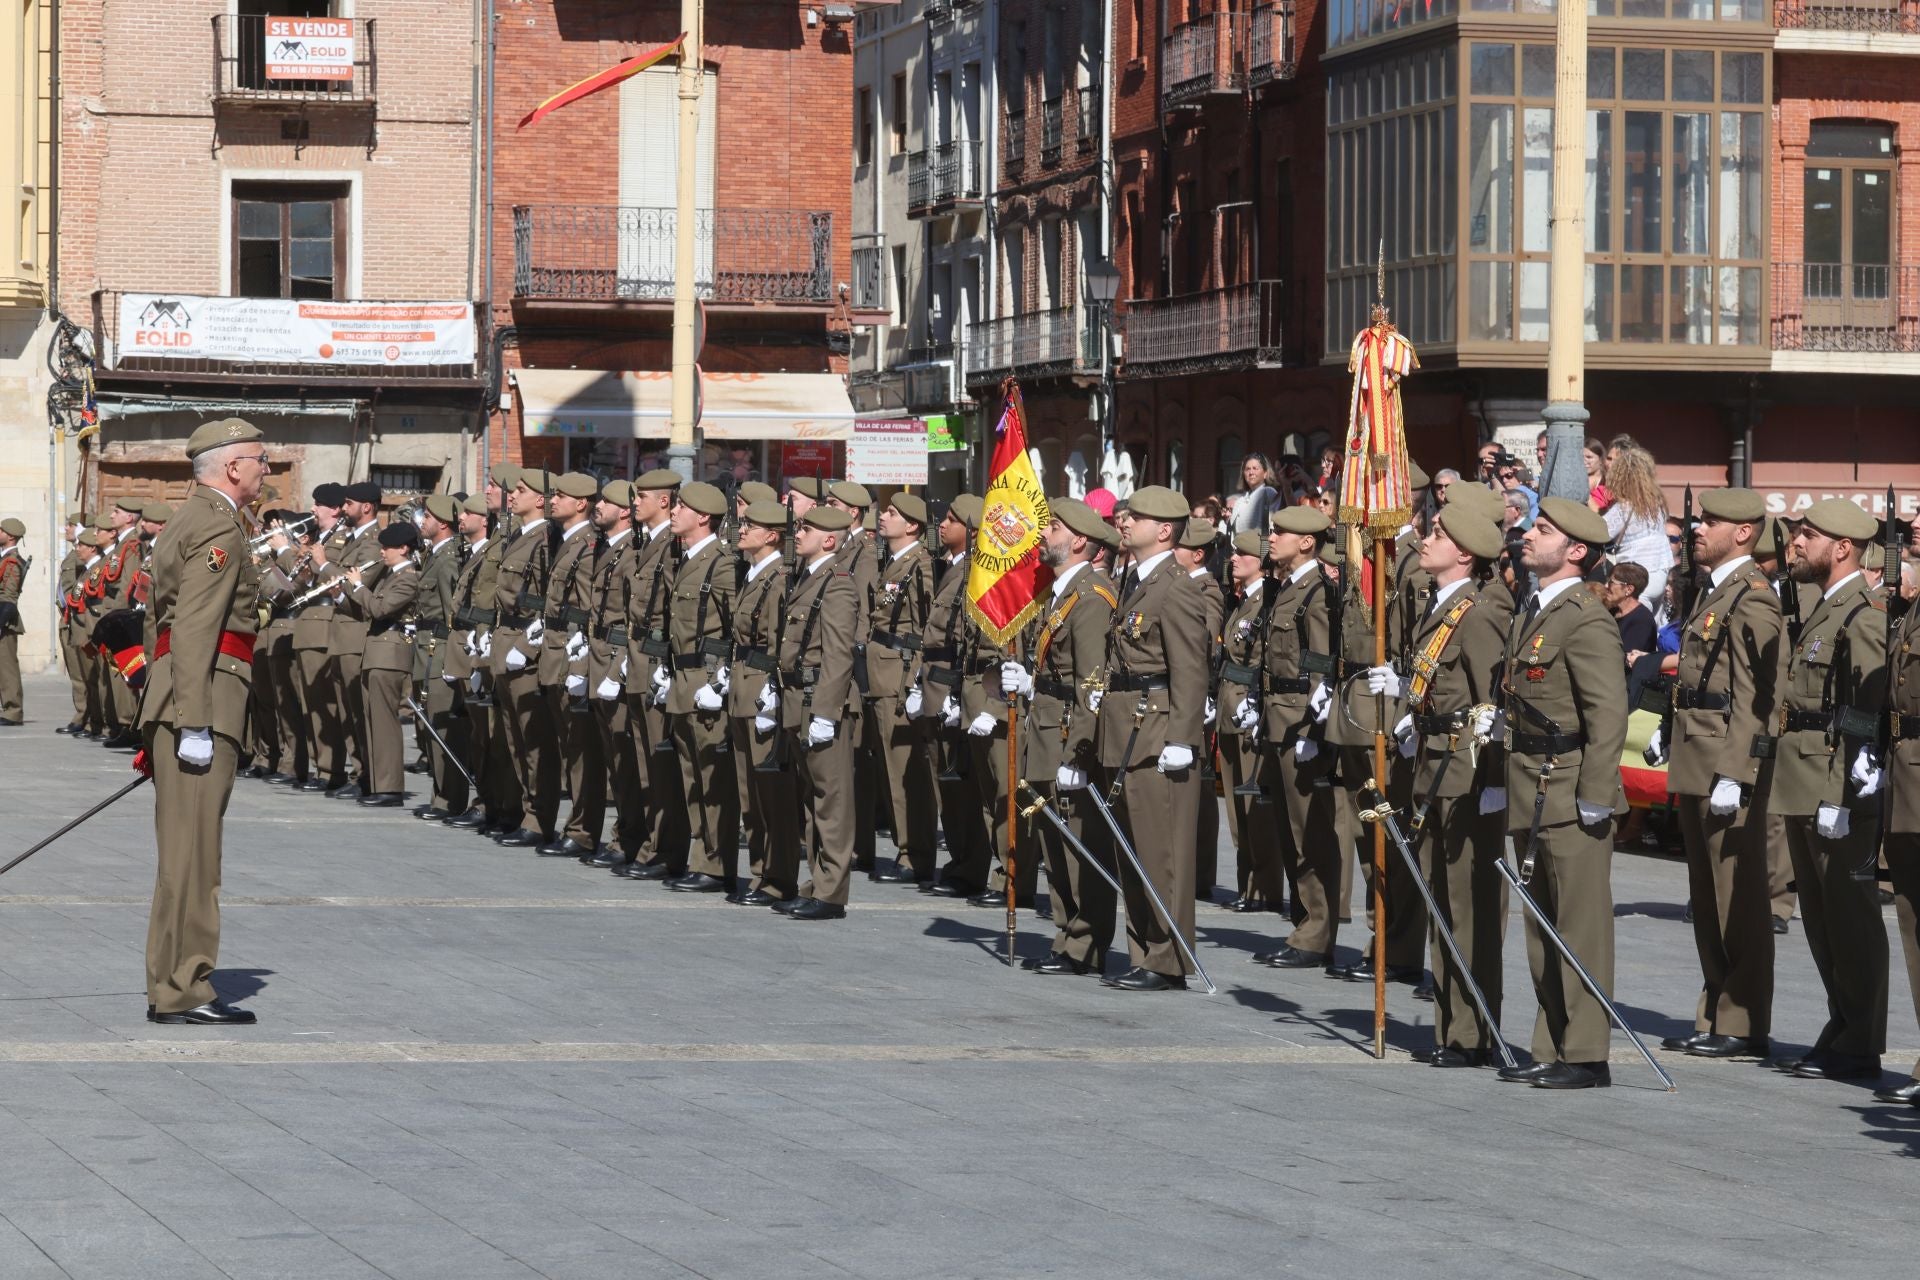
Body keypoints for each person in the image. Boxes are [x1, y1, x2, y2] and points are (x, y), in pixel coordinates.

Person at [138, 417, 270, 1026]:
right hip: (206, 701)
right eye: (259, 460)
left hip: (187, 696)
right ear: (233, 467)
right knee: (194, 857)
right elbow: (192, 625)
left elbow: (157, 616)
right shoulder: (217, 525)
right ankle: (185, 986)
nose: (266, 469)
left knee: (183, 855)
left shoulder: (185, 519)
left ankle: (171, 983)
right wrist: (192, 720)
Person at [1494, 496, 1629, 1090]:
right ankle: (1552, 1041)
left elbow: (1607, 713)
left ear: (1576, 551)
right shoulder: (1537, 608)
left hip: (1571, 788)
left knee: (1579, 924)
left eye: (1542, 530)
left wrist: (1598, 791)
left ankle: (1588, 1052)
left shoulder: (1585, 616)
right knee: (1541, 924)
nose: (1527, 534)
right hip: (1529, 782)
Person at [1378, 501, 1511, 1066]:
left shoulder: (1477, 613)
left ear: (1463, 553)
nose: (1425, 540)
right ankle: (1453, 1027)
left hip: (1466, 772)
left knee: (1466, 902)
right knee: (1442, 900)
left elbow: (1495, 703)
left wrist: (1496, 779)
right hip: (1433, 762)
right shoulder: (1442, 605)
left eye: (1437, 534)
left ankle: (1474, 1030)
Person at [1656, 488, 1782, 1062]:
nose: (1698, 528)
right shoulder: (1714, 591)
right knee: (1706, 896)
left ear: (1745, 532)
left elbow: (1760, 695)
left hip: (1723, 761)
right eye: (1700, 519)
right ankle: (1715, 1010)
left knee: (1738, 896)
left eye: (1711, 521)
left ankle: (1744, 1018)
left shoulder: (1752, 597)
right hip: (1695, 753)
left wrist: (1739, 768)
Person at [1770, 498, 1890, 1083]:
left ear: (1841, 547)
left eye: (1806, 535)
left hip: (1834, 782)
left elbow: (1865, 709)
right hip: (1803, 776)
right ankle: (1841, 1023)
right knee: (1820, 918)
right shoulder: (1823, 609)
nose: (1795, 543)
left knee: (1850, 917)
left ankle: (1861, 1038)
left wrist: (1848, 793)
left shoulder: (1860, 613)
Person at [1090, 485, 1209, 991]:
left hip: (1157, 729)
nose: (1123, 521)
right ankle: (1145, 950)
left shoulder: (1175, 586)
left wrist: (1182, 736)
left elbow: (1189, 667)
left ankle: (1168, 958)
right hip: (1125, 727)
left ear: (1163, 530)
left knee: (1163, 852)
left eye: (1134, 517)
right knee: (1133, 848)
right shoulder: (1135, 580)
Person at [1014, 497, 1119, 976]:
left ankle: (1087, 942)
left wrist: (1080, 750)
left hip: (1065, 733)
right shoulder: (1060, 592)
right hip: (1045, 725)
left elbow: (1092, 681)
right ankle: (1066, 934)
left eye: (1052, 526)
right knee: (1053, 840)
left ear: (1079, 540)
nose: (1043, 534)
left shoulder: (1092, 595)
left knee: (1079, 841)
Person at [1253, 505, 1341, 971]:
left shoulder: (1317, 593)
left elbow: (1322, 664)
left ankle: (1317, 930)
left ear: (1306, 542)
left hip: (1299, 721)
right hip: (1276, 717)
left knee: (1310, 832)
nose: (1271, 538)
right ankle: (1304, 920)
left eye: (1279, 532)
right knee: (1290, 829)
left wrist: (1315, 727)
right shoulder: (1286, 589)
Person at [771, 504, 860, 921]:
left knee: (832, 801)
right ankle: (816, 884)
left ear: (829, 539)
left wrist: (826, 711)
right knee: (812, 801)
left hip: (822, 704)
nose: (798, 534)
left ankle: (832, 893)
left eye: (806, 528)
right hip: (798, 701)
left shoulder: (838, 584)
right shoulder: (807, 579)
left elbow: (839, 655)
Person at [661, 481, 739, 891]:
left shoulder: (721, 565)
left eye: (681, 507)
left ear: (703, 517)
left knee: (712, 779)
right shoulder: (686, 559)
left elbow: (737, 629)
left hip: (706, 682)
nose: (673, 512)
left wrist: (721, 679)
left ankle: (716, 863)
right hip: (682, 678)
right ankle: (701, 855)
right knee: (691, 777)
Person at [726, 500, 800, 905]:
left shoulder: (778, 580)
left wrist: (774, 693)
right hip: (741, 689)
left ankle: (779, 877)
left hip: (761, 693)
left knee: (772, 795)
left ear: (771, 535)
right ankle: (760, 872)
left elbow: (777, 645)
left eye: (749, 526)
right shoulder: (752, 575)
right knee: (749, 794)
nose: (741, 530)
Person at [864, 492, 937, 884]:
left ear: (912, 526)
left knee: (904, 771)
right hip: (882, 674)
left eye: (892, 513)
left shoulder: (920, 566)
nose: (883, 517)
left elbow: (928, 629)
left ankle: (916, 853)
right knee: (890, 769)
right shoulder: (893, 563)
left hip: (899, 676)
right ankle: (906, 847)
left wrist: (916, 681)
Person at [533, 472, 606, 859]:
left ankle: (582, 830)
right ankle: (575, 824)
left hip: (570, 654)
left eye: (560, 495)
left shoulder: (587, 545)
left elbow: (587, 606)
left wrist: (579, 657)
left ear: (581, 503)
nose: (552, 500)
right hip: (554, 650)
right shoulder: (565, 541)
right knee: (568, 745)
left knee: (581, 749)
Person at [340, 521, 422, 807]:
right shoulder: (390, 576)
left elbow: (380, 608)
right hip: (376, 652)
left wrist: (358, 586)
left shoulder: (408, 577)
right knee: (372, 722)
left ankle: (390, 787)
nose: (383, 551)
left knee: (385, 723)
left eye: (388, 547)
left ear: (403, 548)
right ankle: (377, 783)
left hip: (390, 654)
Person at [1601, 445, 1673, 612]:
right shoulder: (1657, 505)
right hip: (1660, 571)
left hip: (1636, 577)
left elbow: (1599, 533)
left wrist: (1593, 507)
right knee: (1652, 630)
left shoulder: (1624, 508)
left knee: (1633, 625)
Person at [0, 517, 29, 726]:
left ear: (10, 536)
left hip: (4, 620)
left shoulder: (12, 562)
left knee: (6, 667)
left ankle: (13, 711)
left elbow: (9, 598)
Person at [1603, 561, 1656, 656]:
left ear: (1629, 589)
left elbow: (1628, 657)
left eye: (1611, 582)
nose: (1606, 586)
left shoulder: (1642, 619)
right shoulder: (1612, 611)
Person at [1228, 453, 1279, 534]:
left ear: (1265, 473)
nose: (1251, 472)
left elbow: (1274, 524)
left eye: (1255, 468)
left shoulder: (1268, 493)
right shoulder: (1240, 501)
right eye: (1247, 469)